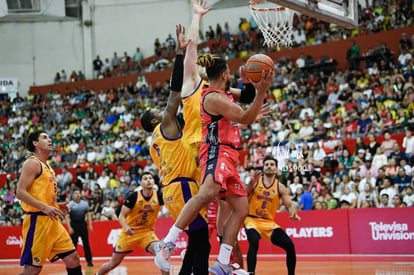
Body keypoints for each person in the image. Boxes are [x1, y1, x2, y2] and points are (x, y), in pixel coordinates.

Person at [153, 45, 273, 274]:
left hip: (230, 156)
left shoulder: (226, 94)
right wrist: (262, 92)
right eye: (232, 74)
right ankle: (167, 242)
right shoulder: (213, 97)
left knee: (240, 207)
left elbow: (245, 103)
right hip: (216, 152)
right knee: (206, 194)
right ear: (226, 75)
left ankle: (223, 262)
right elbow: (245, 116)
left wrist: (250, 85)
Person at [142, 17, 212, 274]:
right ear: (153, 120)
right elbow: (174, 93)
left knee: (196, 241)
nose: (161, 111)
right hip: (181, 186)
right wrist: (180, 54)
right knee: (202, 240)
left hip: (175, 187)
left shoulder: (155, 142)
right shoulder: (166, 125)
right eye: (155, 111)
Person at [16, 131, 82, 275]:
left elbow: (41, 196)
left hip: (53, 222)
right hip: (37, 222)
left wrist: (56, 206)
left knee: (73, 259)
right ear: (35, 143)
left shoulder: (49, 168)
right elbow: (20, 192)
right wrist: (45, 207)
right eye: (45, 138)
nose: (50, 139)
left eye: (50, 137)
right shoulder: (32, 162)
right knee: (33, 269)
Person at [96, 172, 168, 275]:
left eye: (150, 178)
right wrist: (126, 228)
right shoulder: (134, 197)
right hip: (129, 233)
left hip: (146, 233)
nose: (148, 180)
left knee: (160, 253)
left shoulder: (159, 196)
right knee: (113, 263)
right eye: (145, 179)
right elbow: (121, 216)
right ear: (141, 183)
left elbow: (171, 203)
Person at [245, 156, 299, 275]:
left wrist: (293, 212)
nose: (269, 166)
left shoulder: (280, 186)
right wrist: (250, 183)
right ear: (263, 168)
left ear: (276, 169)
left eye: (272, 164)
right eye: (267, 164)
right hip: (252, 220)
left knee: (290, 246)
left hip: (268, 223)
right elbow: (244, 195)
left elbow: (289, 204)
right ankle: (250, 273)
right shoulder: (256, 181)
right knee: (254, 242)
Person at [65, 189, 94, 267]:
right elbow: (67, 217)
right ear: (73, 195)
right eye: (76, 193)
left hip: (83, 225)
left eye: (79, 193)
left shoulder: (84, 204)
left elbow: (88, 214)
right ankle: (72, 260)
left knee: (86, 243)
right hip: (74, 225)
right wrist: (69, 228)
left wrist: (90, 225)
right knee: (73, 245)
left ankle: (89, 261)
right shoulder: (70, 205)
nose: (77, 195)